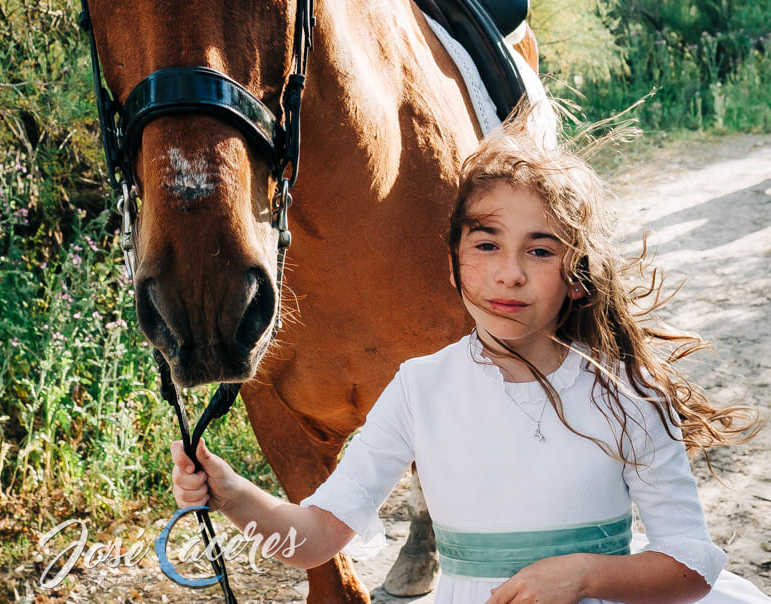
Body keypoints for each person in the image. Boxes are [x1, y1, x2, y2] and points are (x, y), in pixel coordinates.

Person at [170, 119, 766, 604]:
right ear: (454, 261)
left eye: (540, 250)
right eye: (486, 245)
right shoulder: (418, 388)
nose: (509, 272)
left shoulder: (624, 390)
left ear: (577, 276)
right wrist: (233, 495)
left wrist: (582, 577)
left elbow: (690, 563)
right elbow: (316, 538)